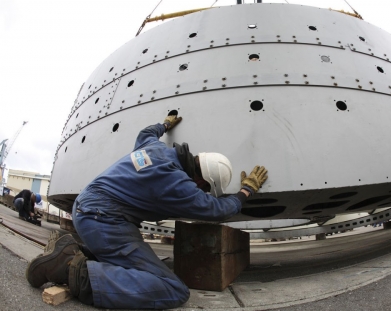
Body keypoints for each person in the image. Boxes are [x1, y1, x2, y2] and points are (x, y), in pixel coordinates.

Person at [25, 115, 268, 309]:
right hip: (105, 220)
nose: (199, 191)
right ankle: (68, 269)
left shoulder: (155, 147)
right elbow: (218, 210)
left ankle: (73, 251)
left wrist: (164, 124)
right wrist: (246, 191)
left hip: (85, 208)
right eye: (204, 188)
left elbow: (146, 133)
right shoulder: (179, 184)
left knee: (131, 262)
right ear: (202, 180)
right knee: (172, 289)